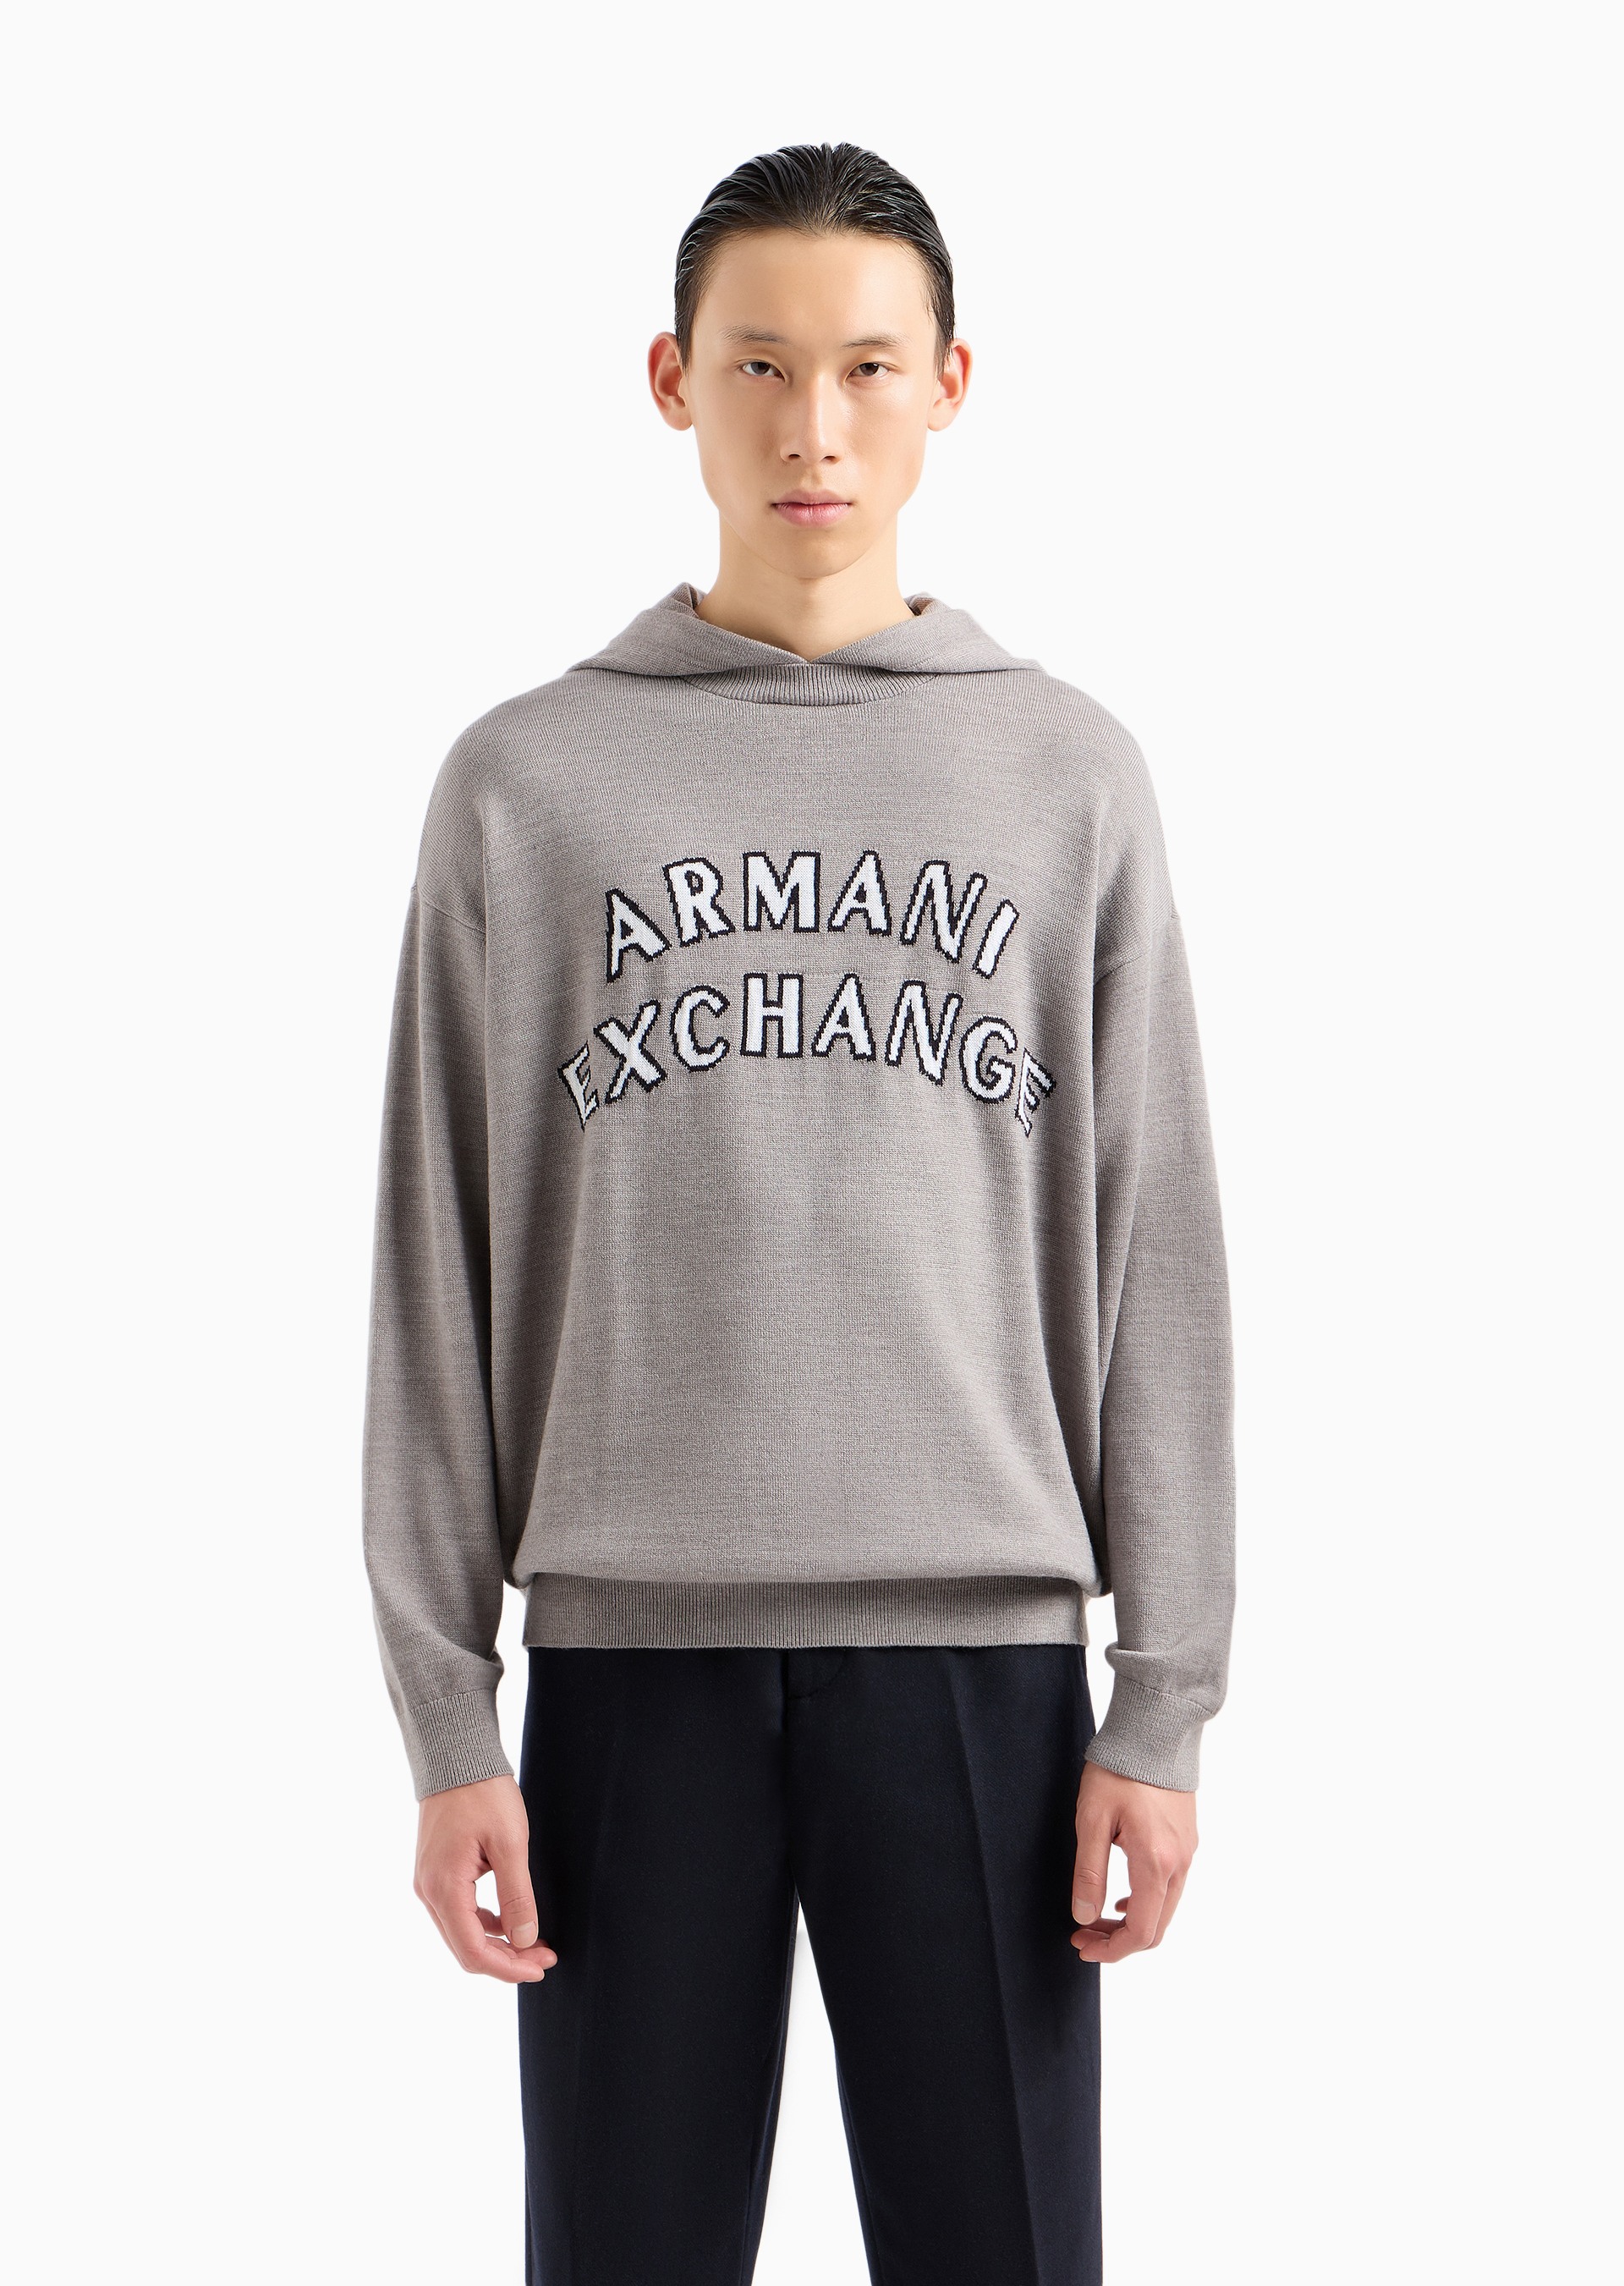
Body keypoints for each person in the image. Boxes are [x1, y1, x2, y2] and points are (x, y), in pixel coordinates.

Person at [362, 140, 1236, 2286]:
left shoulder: (1066, 777)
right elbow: (433, 1269)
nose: (814, 425)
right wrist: (449, 1720)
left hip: (987, 1673)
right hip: (626, 1670)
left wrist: (1165, 1699)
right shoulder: (527, 784)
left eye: (865, 365)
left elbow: (1159, 1257)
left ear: (952, 384)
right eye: (759, 363)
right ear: (674, 381)